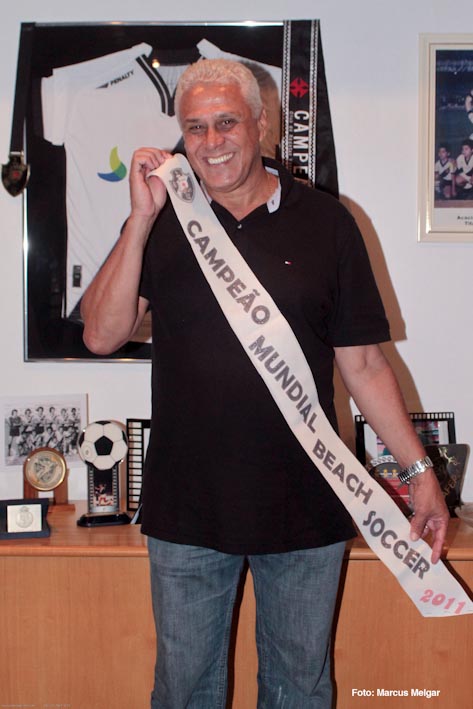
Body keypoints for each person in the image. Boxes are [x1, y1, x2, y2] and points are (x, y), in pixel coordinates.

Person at [81, 59, 449, 708]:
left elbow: (363, 365)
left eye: (226, 123)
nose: (211, 142)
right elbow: (101, 335)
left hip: (305, 502)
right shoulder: (163, 219)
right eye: (195, 128)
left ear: (262, 124)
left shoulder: (328, 223)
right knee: (184, 690)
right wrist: (138, 219)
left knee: (297, 690)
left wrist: (419, 472)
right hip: (187, 505)